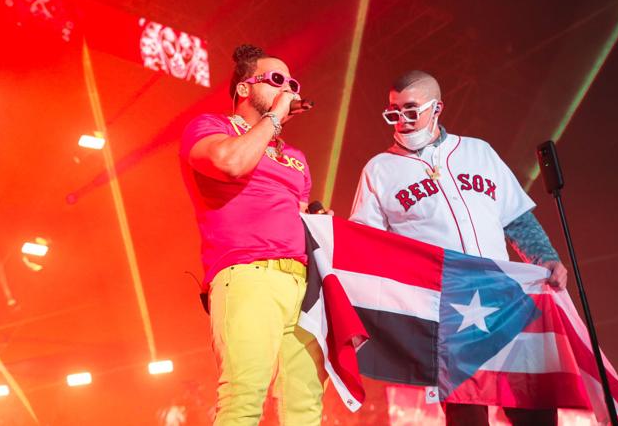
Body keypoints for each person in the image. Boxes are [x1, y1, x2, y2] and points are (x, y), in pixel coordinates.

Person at [349, 70, 568, 426]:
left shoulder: (479, 152)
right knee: (467, 413)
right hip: (445, 310)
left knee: (533, 406)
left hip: (505, 298)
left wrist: (546, 258)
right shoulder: (380, 170)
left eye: (411, 110)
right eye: (393, 112)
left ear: (437, 108)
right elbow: (366, 248)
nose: (402, 121)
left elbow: (515, 219)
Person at [179, 44, 326, 425]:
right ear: (244, 89)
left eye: (292, 83)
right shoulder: (212, 128)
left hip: (303, 283)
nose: (288, 89)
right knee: (245, 398)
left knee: (305, 405)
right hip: (247, 274)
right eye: (277, 80)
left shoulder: (295, 156)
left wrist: (316, 220)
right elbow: (229, 164)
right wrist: (276, 115)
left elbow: (297, 210)